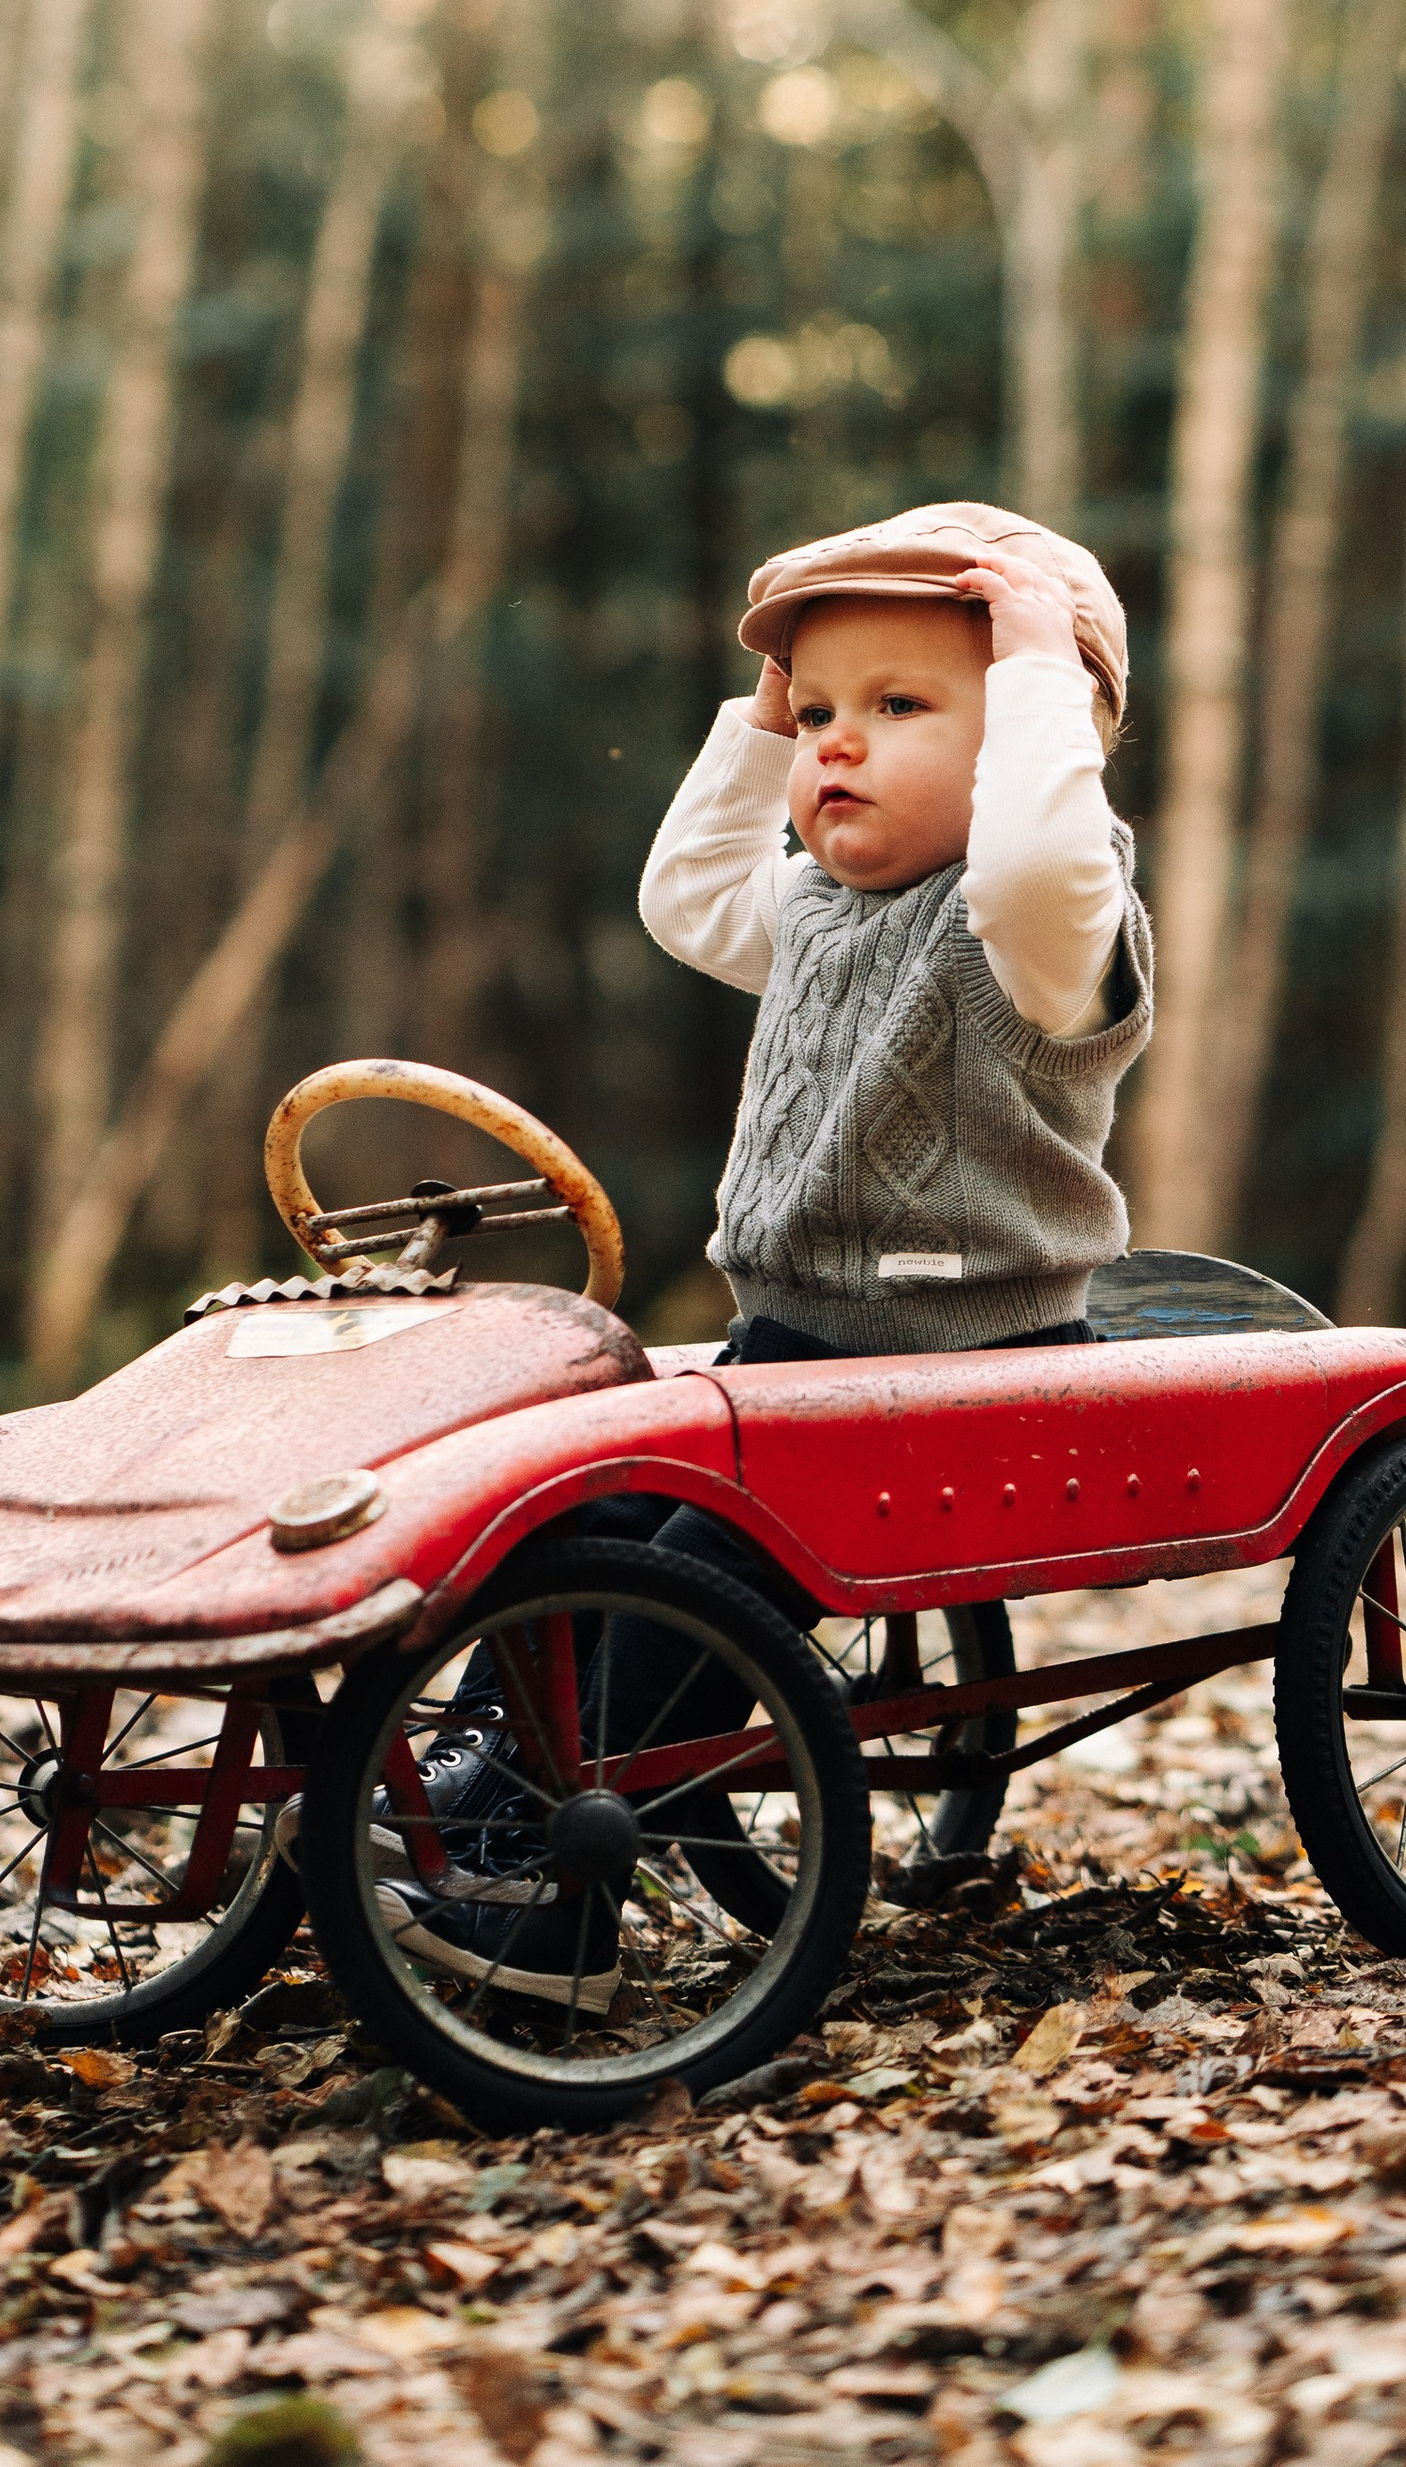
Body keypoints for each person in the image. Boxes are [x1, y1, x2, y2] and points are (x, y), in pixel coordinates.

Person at [377, 501, 1153, 2013]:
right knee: (564, 1528)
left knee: (695, 1582)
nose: (835, 746)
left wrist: (1047, 663)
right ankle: (469, 1791)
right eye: (820, 714)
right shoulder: (815, 907)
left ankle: (551, 1909)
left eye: (902, 707)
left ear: (1033, 748)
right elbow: (681, 894)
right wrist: (756, 720)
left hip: (959, 1364)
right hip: (791, 1351)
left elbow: (1039, 856)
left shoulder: (1040, 926)